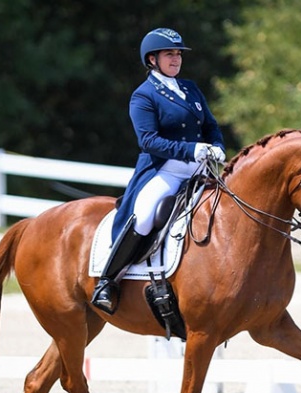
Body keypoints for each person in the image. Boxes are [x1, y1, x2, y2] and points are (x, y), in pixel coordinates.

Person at [91, 27, 226, 314]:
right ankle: (108, 280)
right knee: (143, 215)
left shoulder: (190, 88)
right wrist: (191, 149)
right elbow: (148, 141)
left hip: (200, 169)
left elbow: (211, 126)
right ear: (152, 59)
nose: (176, 59)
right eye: (170, 54)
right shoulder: (144, 95)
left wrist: (217, 145)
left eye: (178, 54)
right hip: (165, 170)